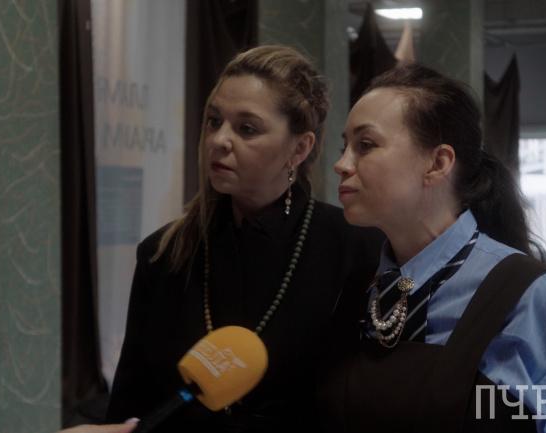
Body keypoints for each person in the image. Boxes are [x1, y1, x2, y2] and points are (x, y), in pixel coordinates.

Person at [321, 63, 546, 432]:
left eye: (365, 145)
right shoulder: (360, 289)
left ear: (438, 162)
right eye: (344, 147)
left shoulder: (534, 299)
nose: (341, 164)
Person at [106, 45, 381, 432]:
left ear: (299, 148)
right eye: (214, 121)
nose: (219, 139)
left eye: (246, 128)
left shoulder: (356, 248)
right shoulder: (163, 254)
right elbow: (130, 404)